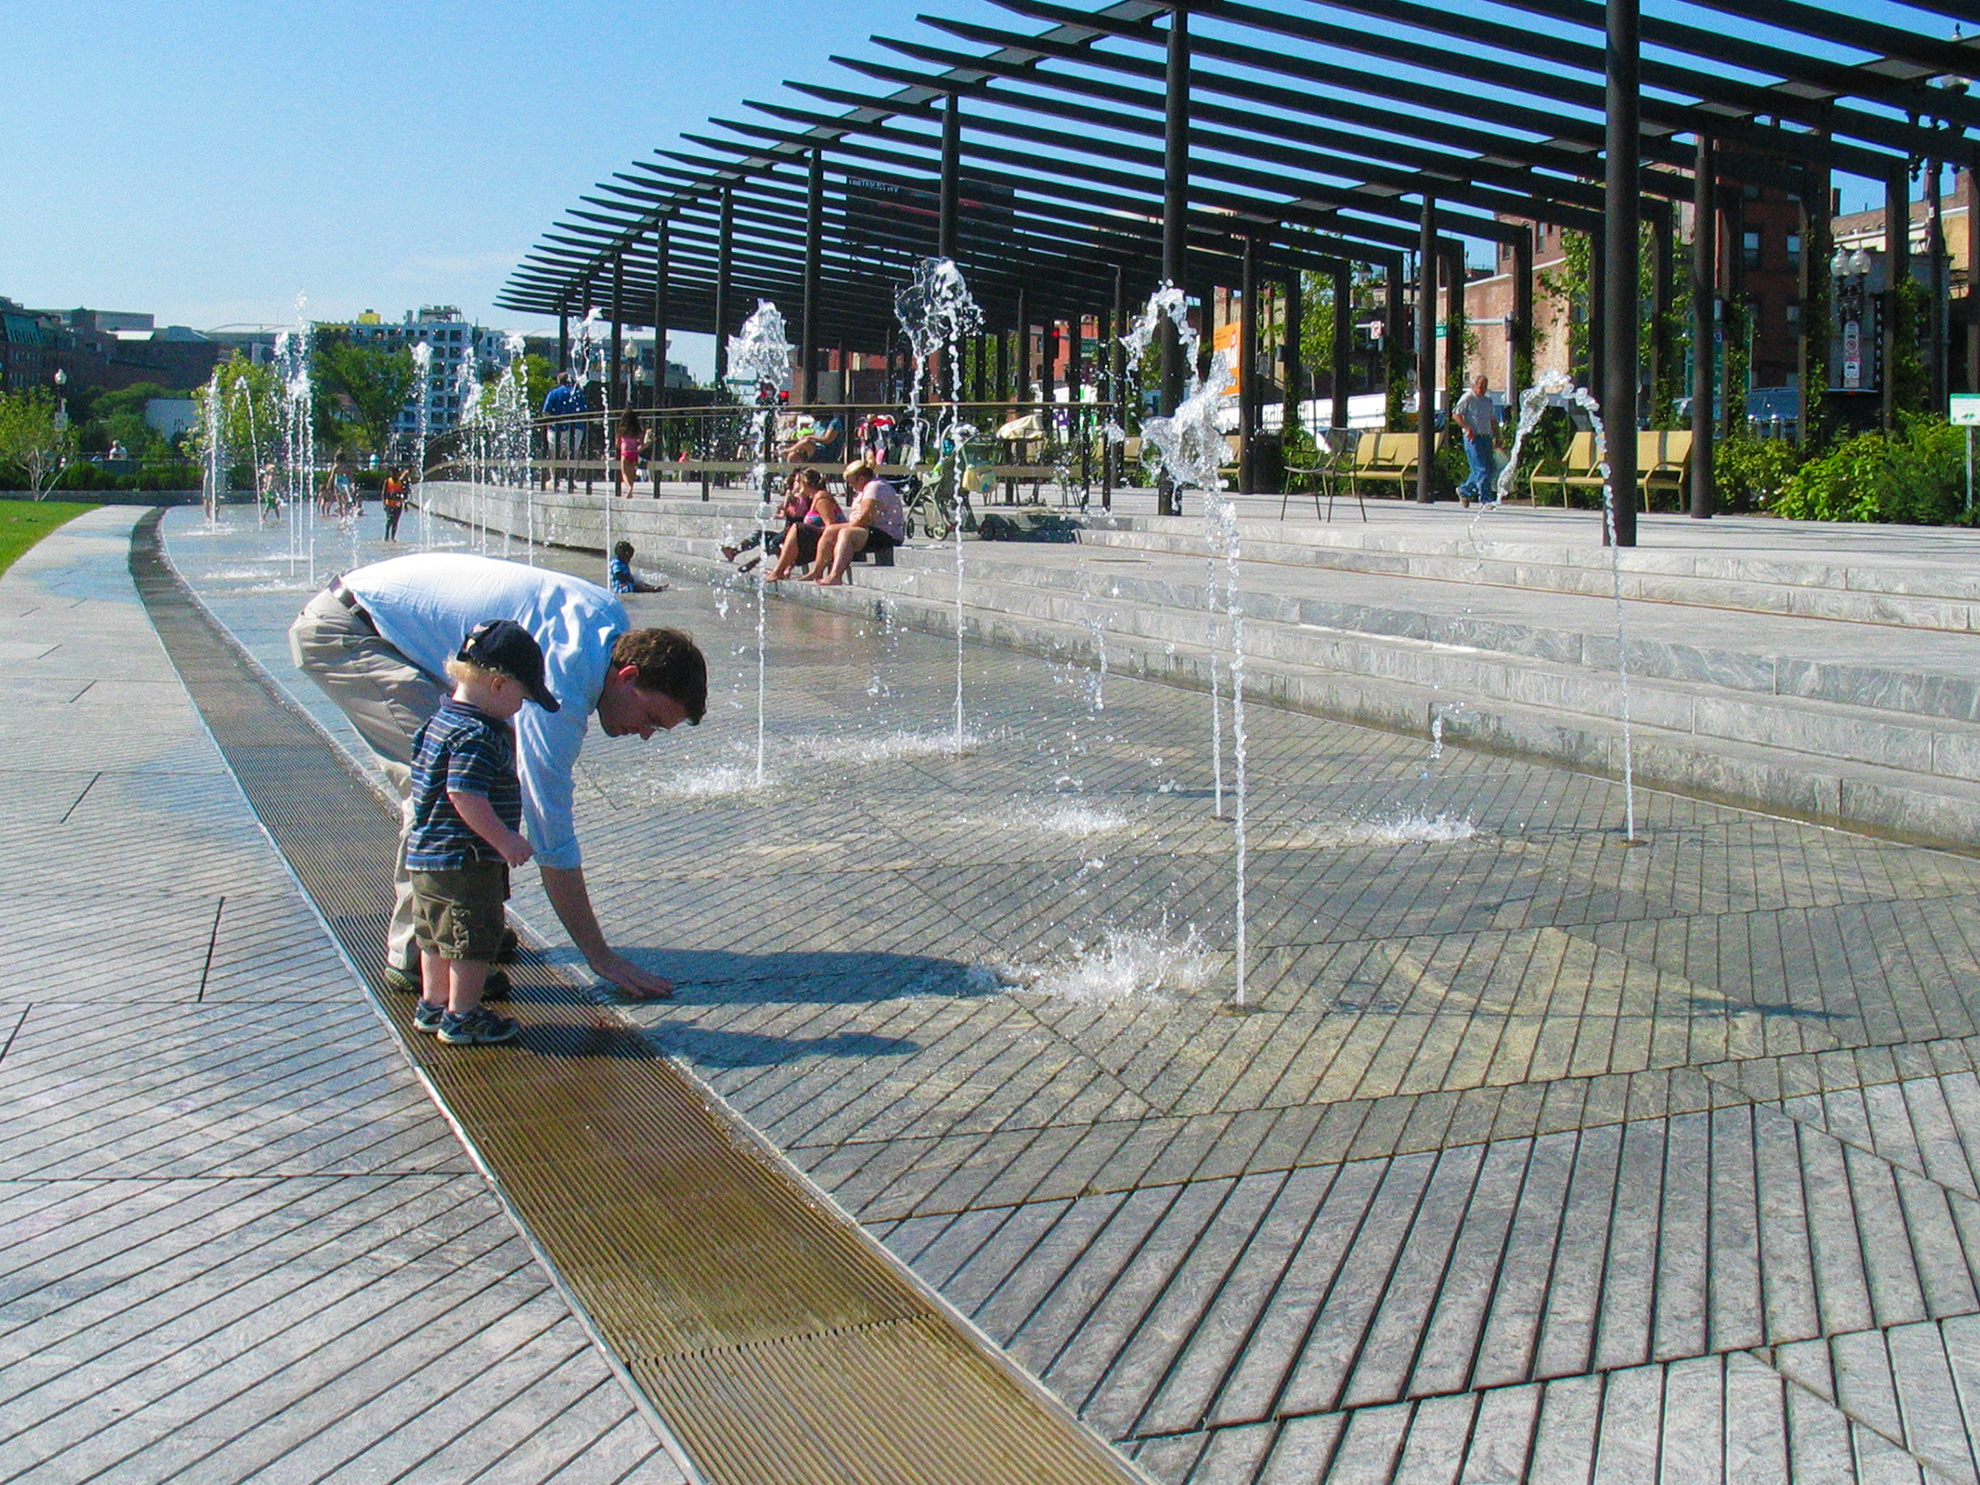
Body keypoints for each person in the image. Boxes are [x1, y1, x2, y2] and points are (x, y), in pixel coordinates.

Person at [289, 553, 707, 1000]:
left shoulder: (607, 624)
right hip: (349, 632)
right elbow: (552, 836)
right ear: (628, 675)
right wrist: (599, 955)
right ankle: (420, 952)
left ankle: (467, 918)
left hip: (377, 621)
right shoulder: (563, 683)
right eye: (651, 718)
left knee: (487, 772)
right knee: (445, 791)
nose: (645, 735)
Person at [404, 620, 559, 1046]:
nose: (521, 707)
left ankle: (433, 1005)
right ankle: (463, 1016)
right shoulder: (476, 734)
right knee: (471, 941)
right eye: (522, 697)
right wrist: (504, 839)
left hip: (426, 856)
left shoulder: (439, 721)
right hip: (465, 860)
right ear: (497, 685)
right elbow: (464, 794)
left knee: (436, 936)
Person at [811, 460, 905, 586]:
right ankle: (817, 571)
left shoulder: (875, 487)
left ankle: (835, 575)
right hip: (870, 530)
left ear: (861, 479)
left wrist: (846, 528)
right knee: (830, 530)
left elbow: (866, 517)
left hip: (886, 534)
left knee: (846, 533)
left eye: (851, 482)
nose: (850, 486)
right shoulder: (867, 488)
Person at [723, 468, 826, 572]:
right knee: (759, 535)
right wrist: (787, 499)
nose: (795, 483)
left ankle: (756, 562)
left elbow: (797, 513)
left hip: (801, 540)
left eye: (798, 481)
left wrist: (794, 498)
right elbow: (782, 512)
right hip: (787, 534)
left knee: (774, 542)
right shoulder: (795, 498)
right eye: (795, 481)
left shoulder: (809, 500)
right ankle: (734, 551)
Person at [764, 470, 848, 581]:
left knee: (797, 528)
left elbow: (831, 525)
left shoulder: (822, 498)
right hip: (819, 540)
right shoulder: (814, 498)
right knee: (790, 535)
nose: (796, 485)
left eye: (798, 482)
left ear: (804, 484)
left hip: (830, 541)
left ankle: (779, 571)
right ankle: (781, 570)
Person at [1453, 374, 1502, 508]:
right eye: (1480, 387)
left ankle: (1464, 490)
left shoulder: (1487, 401)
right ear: (1474, 386)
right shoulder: (1468, 398)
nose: (1482, 389)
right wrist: (1467, 427)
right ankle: (1485, 499)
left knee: (1489, 469)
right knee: (1482, 469)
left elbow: (1493, 420)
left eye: (1485, 387)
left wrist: (1498, 437)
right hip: (1473, 438)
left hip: (1486, 437)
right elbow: (1456, 414)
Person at [543, 373, 584, 492]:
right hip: (576, 427)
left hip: (556, 428)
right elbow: (583, 411)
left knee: (554, 452)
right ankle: (571, 478)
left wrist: (549, 423)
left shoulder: (553, 393)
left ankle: (554, 479)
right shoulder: (577, 393)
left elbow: (546, 412)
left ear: (558, 380)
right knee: (573, 452)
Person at [614, 408, 648, 498]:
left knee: (624, 473)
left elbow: (617, 444)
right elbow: (640, 445)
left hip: (625, 453)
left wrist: (622, 446)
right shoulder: (638, 430)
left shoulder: (621, 430)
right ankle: (631, 490)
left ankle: (628, 488)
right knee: (632, 474)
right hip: (634, 453)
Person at [381, 469, 407, 542]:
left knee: (396, 522)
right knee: (389, 521)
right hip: (389, 503)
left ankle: (393, 537)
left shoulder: (400, 482)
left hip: (398, 504)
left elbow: (403, 494)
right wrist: (384, 503)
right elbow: (384, 493)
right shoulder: (387, 481)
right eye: (394, 474)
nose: (396, 475)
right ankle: (386, 537)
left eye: (397, 474)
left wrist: (405, 505)